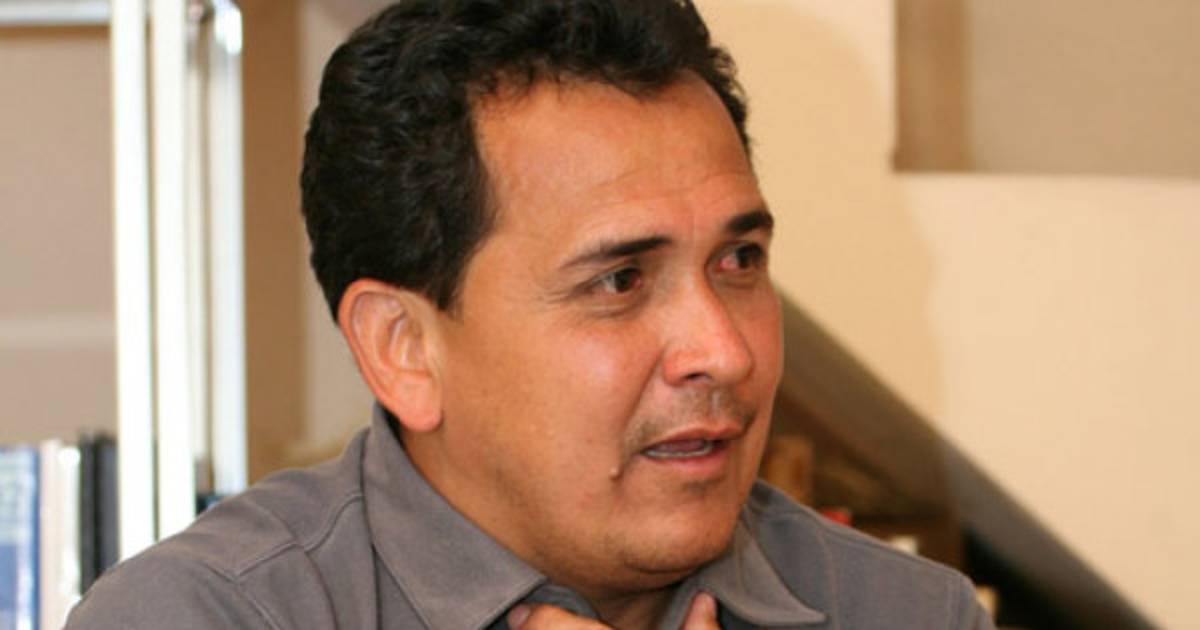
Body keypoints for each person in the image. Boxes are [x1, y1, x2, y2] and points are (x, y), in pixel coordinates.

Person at [67, 1, 993, 628]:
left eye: (739, 261)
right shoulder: (204, 616)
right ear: (403, 349)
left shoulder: (909, 614)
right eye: (620, 281)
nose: (724, 351)